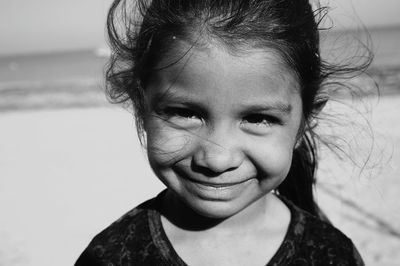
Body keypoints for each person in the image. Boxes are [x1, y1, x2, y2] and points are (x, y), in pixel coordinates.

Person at [75, 0, 369, 265]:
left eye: (258, 118)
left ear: (305, 121)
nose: (216, 159)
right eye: (185, 113)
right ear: (141, 107)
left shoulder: (332, 255)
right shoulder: (108, 258)